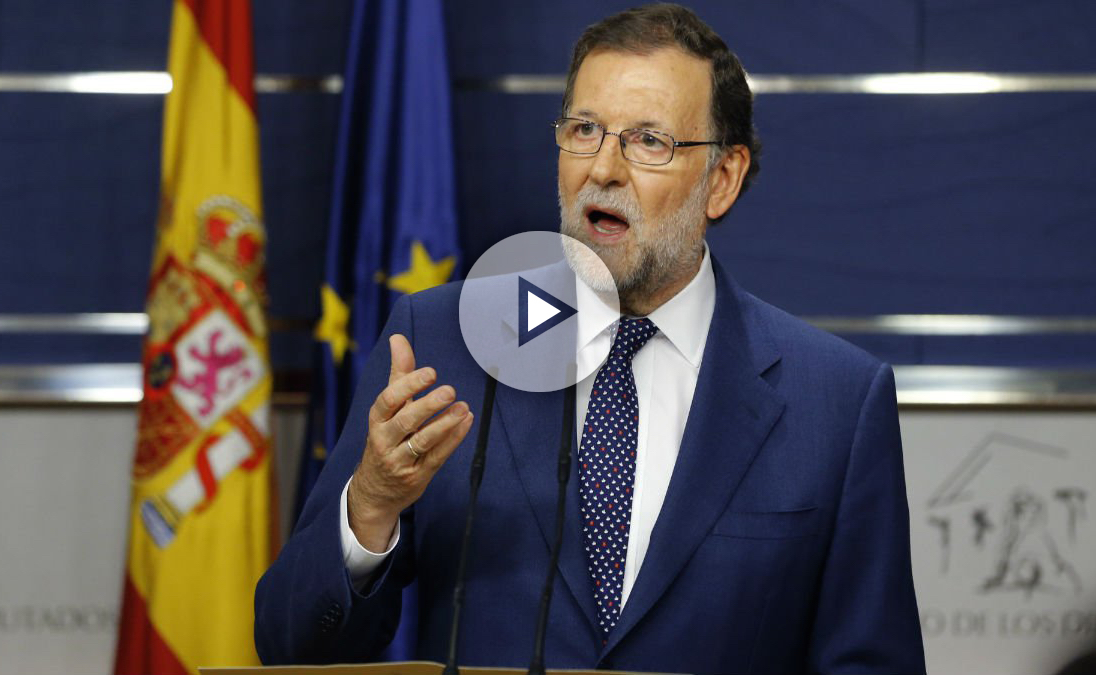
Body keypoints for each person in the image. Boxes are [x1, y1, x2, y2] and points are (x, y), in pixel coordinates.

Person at [255, 4, 925, 673]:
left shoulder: (834, 403)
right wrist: (369, 505)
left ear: (721, 180)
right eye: (584, 130)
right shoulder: (442, 342)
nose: (602, 168)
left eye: (648, 141)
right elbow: (291, 644)